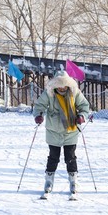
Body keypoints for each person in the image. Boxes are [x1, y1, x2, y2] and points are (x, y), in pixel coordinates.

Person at [32, 70, 91, 198]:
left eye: (65, 85)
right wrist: (38, 115)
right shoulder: (49, 93)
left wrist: (81, 116)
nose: (62, 88)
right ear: (55, 85)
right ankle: (49, 181)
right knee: (53, 157)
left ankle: (74, 181)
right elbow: (39, 106)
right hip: (53, 130)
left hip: (71, 130)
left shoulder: (74, 93)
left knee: (70, 157)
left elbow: (84, 106)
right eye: (60, 85)